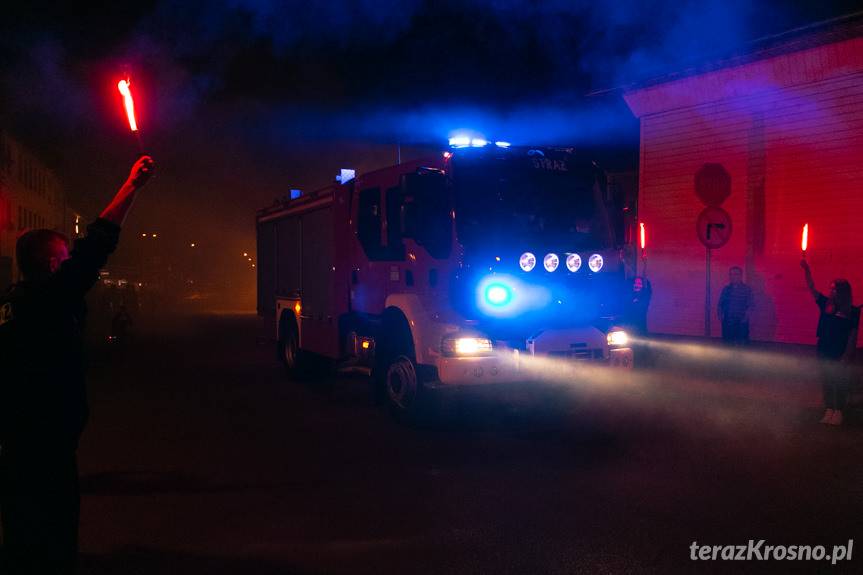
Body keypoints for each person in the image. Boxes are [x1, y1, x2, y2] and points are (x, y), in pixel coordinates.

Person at [0, 155, 155, 573]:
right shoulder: (48, 301)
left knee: (18, 523)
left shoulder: (12, 305)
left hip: (17, 440)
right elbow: (98, 242)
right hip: (43, 439)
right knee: (52, 526)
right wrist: (131, 186)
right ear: (53, 266)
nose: (72, 263)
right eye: (65, 259)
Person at [801, 260, 859, 426]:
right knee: (826, 379)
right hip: (824, 348)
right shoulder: (826, 304)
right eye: (831, 287)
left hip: (840, 350)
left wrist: (847, 355)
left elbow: (852, 335)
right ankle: (829, 409)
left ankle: (838, 411)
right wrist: (807, 270)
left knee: (838, 380)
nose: (831, 290)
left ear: (842, 292)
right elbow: (812, 289)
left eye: (834, 288)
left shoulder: (853, 311)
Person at [717, 266, 753, 346]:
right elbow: (720, 303)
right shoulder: (726, 289)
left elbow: (750, 305)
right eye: (731, 274)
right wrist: (720, 315)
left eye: (736, 274)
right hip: (728, 321)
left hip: (741, 321)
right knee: (727, 343)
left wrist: (745, 318)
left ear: (741, 275)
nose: (733, 276)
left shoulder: (746, 289)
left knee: (741, 344)